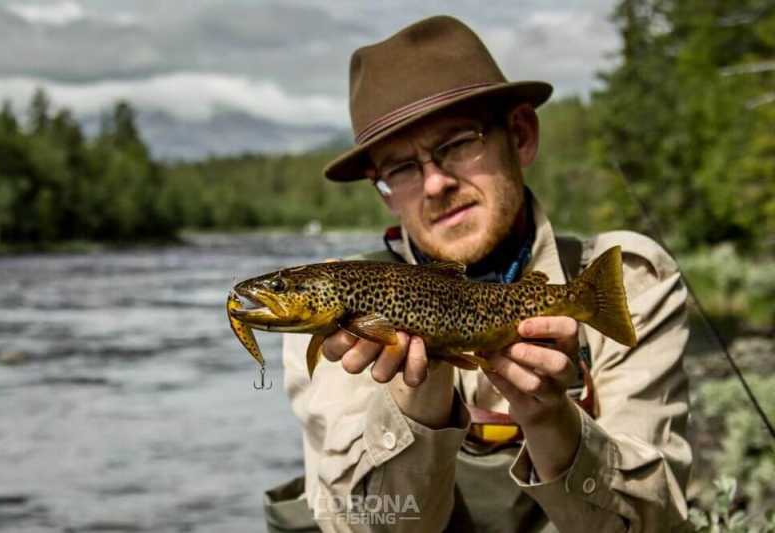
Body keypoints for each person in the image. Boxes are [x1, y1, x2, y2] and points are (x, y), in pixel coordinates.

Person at [265, 15, 692, 533]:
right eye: (402, 168)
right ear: (382, 186)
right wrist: (417, 402)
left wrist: (553, 423)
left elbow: (657, 527)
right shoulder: (334, 321)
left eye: (457, 143)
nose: (435, 183)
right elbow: (360, 525)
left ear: (521, 134)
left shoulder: (628, 276)